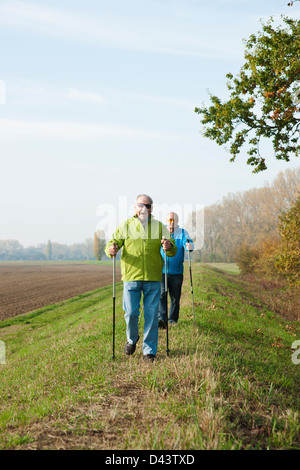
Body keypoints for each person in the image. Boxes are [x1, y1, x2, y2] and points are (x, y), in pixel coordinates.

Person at [104, 194, 177, 362]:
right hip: (131, 276)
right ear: (135, 207)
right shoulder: (125, 226)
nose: (145, 208)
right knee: (130, 313)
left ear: (152, 208)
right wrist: (111, 250)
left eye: (148, 206)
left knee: (151, 315)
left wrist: (169, 246)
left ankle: (149, 351)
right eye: (141, 205)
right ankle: (132, 339)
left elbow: (171, 250)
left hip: (153, 277)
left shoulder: (159, 227)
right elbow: (112, 243)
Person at [158, 212, 194, 328]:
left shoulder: (183, 232)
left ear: (177, 221)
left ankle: (172, 319)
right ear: (166, 221)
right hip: (162, 270)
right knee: (161, 294)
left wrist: (189, 246)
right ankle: (161, 319)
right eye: (169, 220)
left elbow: (189, 243)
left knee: (175, 297)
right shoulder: (161, 231)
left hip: (177, 272)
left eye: (173, 220)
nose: (171, 223)